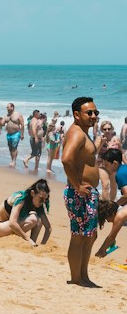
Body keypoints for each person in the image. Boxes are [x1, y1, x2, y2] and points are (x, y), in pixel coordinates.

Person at [62, 95, 101, 287]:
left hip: (87, 192)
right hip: (80, 193)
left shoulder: (83, 133)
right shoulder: (77, 133)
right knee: (79, 237)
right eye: (89, 112)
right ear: (77, 115)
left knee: (89, 236)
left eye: (96, 112)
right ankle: (77, 278)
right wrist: (77, 185)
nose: (94, 116)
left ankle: (83, 276)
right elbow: (66, 159)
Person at [94, 146, 127, 259]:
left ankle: (101, 252)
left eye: (107, 165)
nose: (106, 168)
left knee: (121, 216)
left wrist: (116, 204)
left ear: (114, 163)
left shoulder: (120, 174)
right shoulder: (124, 169)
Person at [23, 111, 44, 175]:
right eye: (39, 114)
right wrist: (36, 137)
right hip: (35, 138)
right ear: (36, 114)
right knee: (37, 153)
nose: (40, 115)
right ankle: (33, 164)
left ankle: (35, 166)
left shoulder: (32, 120)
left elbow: (30, 129)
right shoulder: (34, 121)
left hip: (33, 138)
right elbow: (33, 129)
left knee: (35, 153)